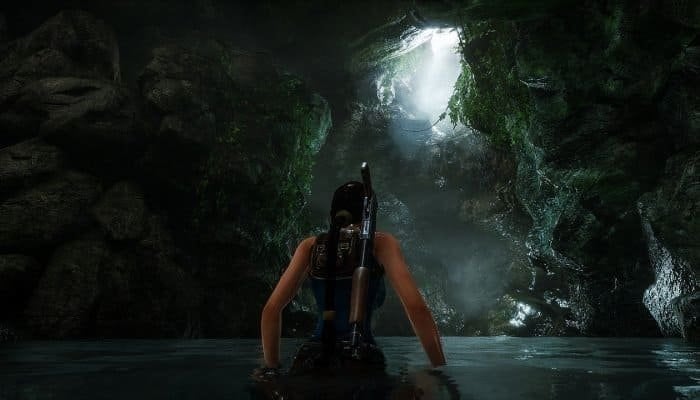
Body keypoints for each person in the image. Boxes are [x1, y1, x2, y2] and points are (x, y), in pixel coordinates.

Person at [259, 179, 446, 376]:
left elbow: (271, 310)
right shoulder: (381, 243)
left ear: (333, 213)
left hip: (312, 357)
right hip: (360, 358)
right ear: (370, 213)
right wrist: (440, 369)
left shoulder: (309, 246)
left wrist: (271, 368)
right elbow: (416, 308)